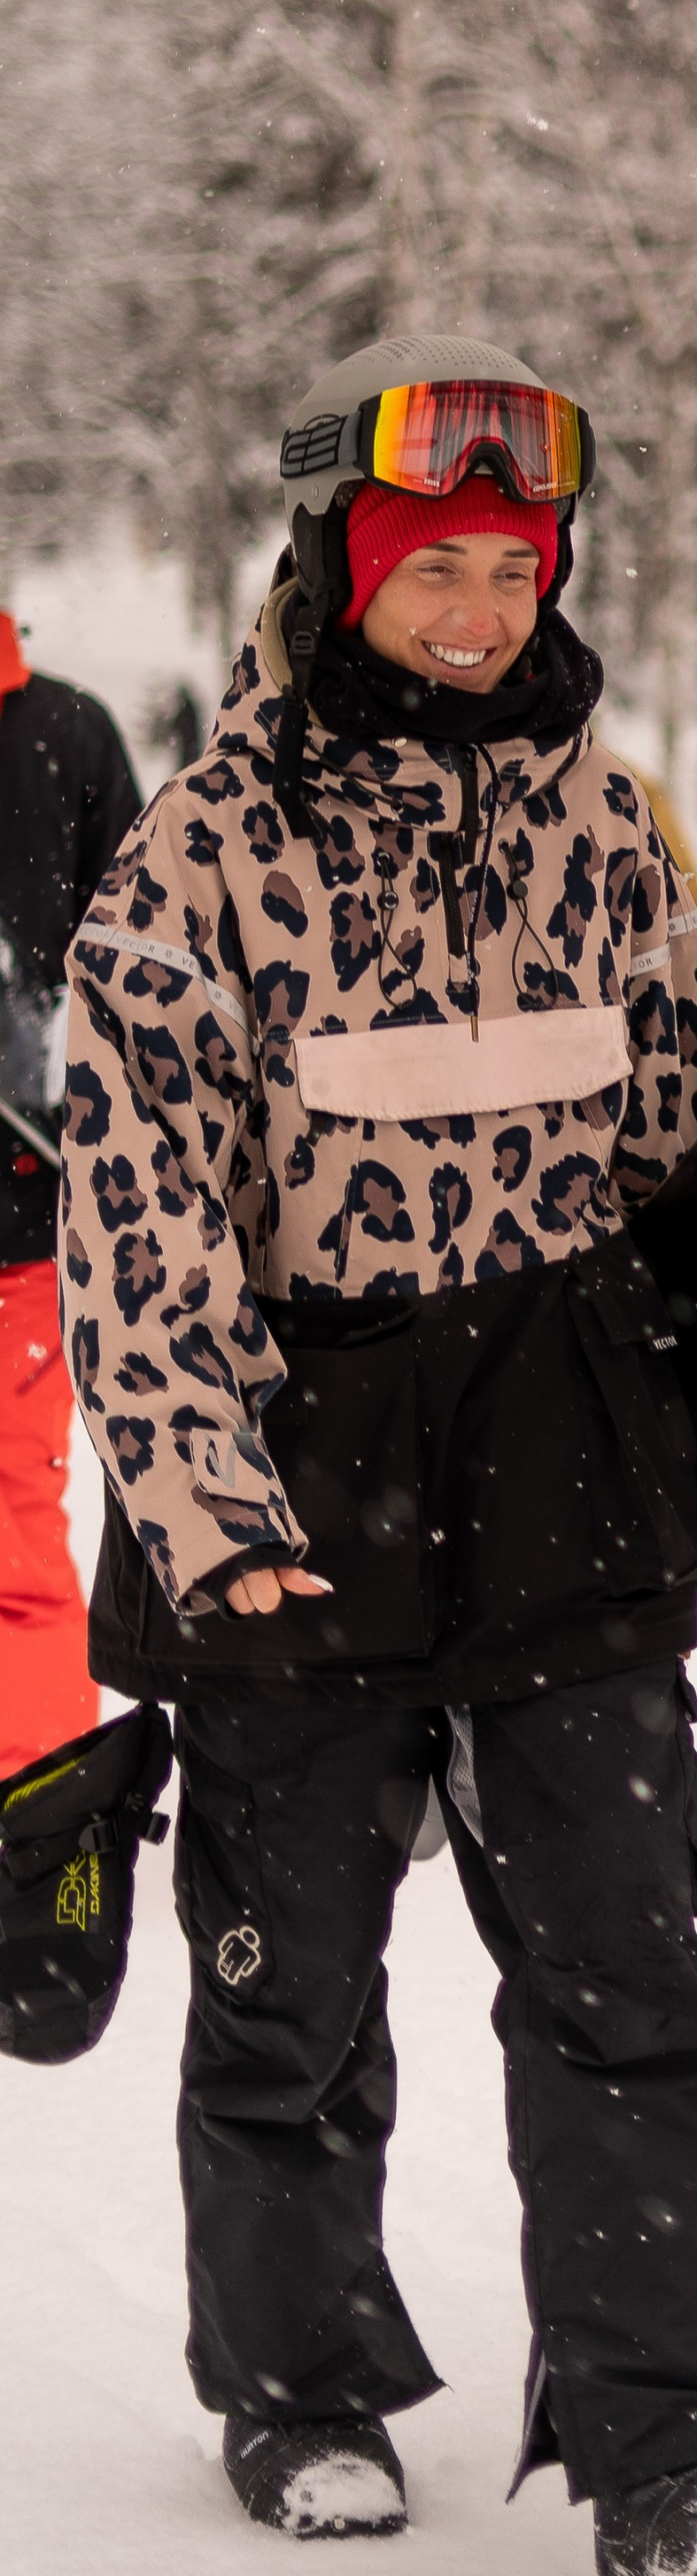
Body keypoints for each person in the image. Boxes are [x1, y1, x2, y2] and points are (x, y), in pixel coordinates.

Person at [60, 333, 697, 2576]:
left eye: (515, 566)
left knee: (630, 1967)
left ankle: (671, 2453)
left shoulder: (608, 822)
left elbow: (692, 1146)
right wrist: (211, 1516)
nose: (481, 611)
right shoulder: (198, 862)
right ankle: (297, 2387)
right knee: (294, 1986)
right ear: (344, 568)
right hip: (306, 1487)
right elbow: (141, 1226)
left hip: (570, 1476)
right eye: (437, 567)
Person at [0, 608, 140, 1772]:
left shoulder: (66, 738)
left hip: (19, 1227)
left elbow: (139, 976)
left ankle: (34, 1822)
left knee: (13, 1540)